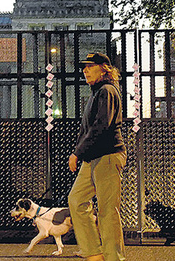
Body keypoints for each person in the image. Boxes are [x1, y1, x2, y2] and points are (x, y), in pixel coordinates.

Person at [68, 52, 126, 261]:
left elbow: (102, 126)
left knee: (108, 211)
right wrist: (80, 152)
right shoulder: (96, 93)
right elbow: (88, 129)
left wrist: (77, 152)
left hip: (108, 156)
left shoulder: (107, 91)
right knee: (76, 200)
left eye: (90, 66)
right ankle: (94, 253)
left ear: (104, 68)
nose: (85, 70)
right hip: (92, 158)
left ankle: (113, 258)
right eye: (84, 67)